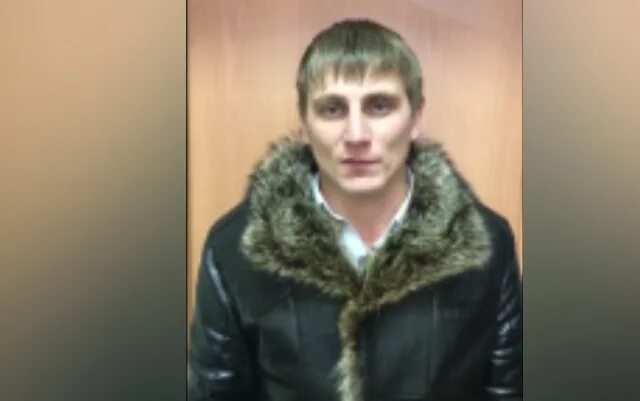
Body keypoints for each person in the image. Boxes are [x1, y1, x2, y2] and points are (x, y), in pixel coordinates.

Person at [188, 18, 522, 401]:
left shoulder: (487, 244)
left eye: (379, 106)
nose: (357, 135)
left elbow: (507, 389)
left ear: (416, 118)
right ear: (304, 125)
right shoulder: (235, 249)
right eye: (332, 109)